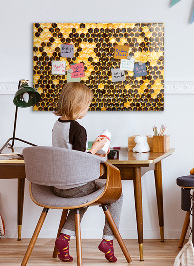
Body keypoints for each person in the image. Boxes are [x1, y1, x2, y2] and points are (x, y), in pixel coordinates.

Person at [52, 82, 122, 263]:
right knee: (117, 194)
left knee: (82, 197)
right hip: (75, 186)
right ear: (78, 105)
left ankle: (64, 238)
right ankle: (108, 240)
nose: (87, 109)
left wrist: (91, 149)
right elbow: (79, 160)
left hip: (58, 186)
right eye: (87, 105)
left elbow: (69, 154)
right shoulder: (78, 129)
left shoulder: (57, 125)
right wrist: (97, 148)